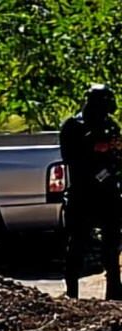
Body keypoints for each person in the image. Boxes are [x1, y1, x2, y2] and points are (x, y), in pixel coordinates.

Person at [60, 84, 122, 300]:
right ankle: (72, 294)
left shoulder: (110, 124)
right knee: (77, 245)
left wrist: (115, 149)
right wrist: (94, 147)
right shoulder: (73, 125)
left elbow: (117, 157)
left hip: (107, 193)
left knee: (112, 245)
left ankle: (114, 292)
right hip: (82, 193)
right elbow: (69, 157)